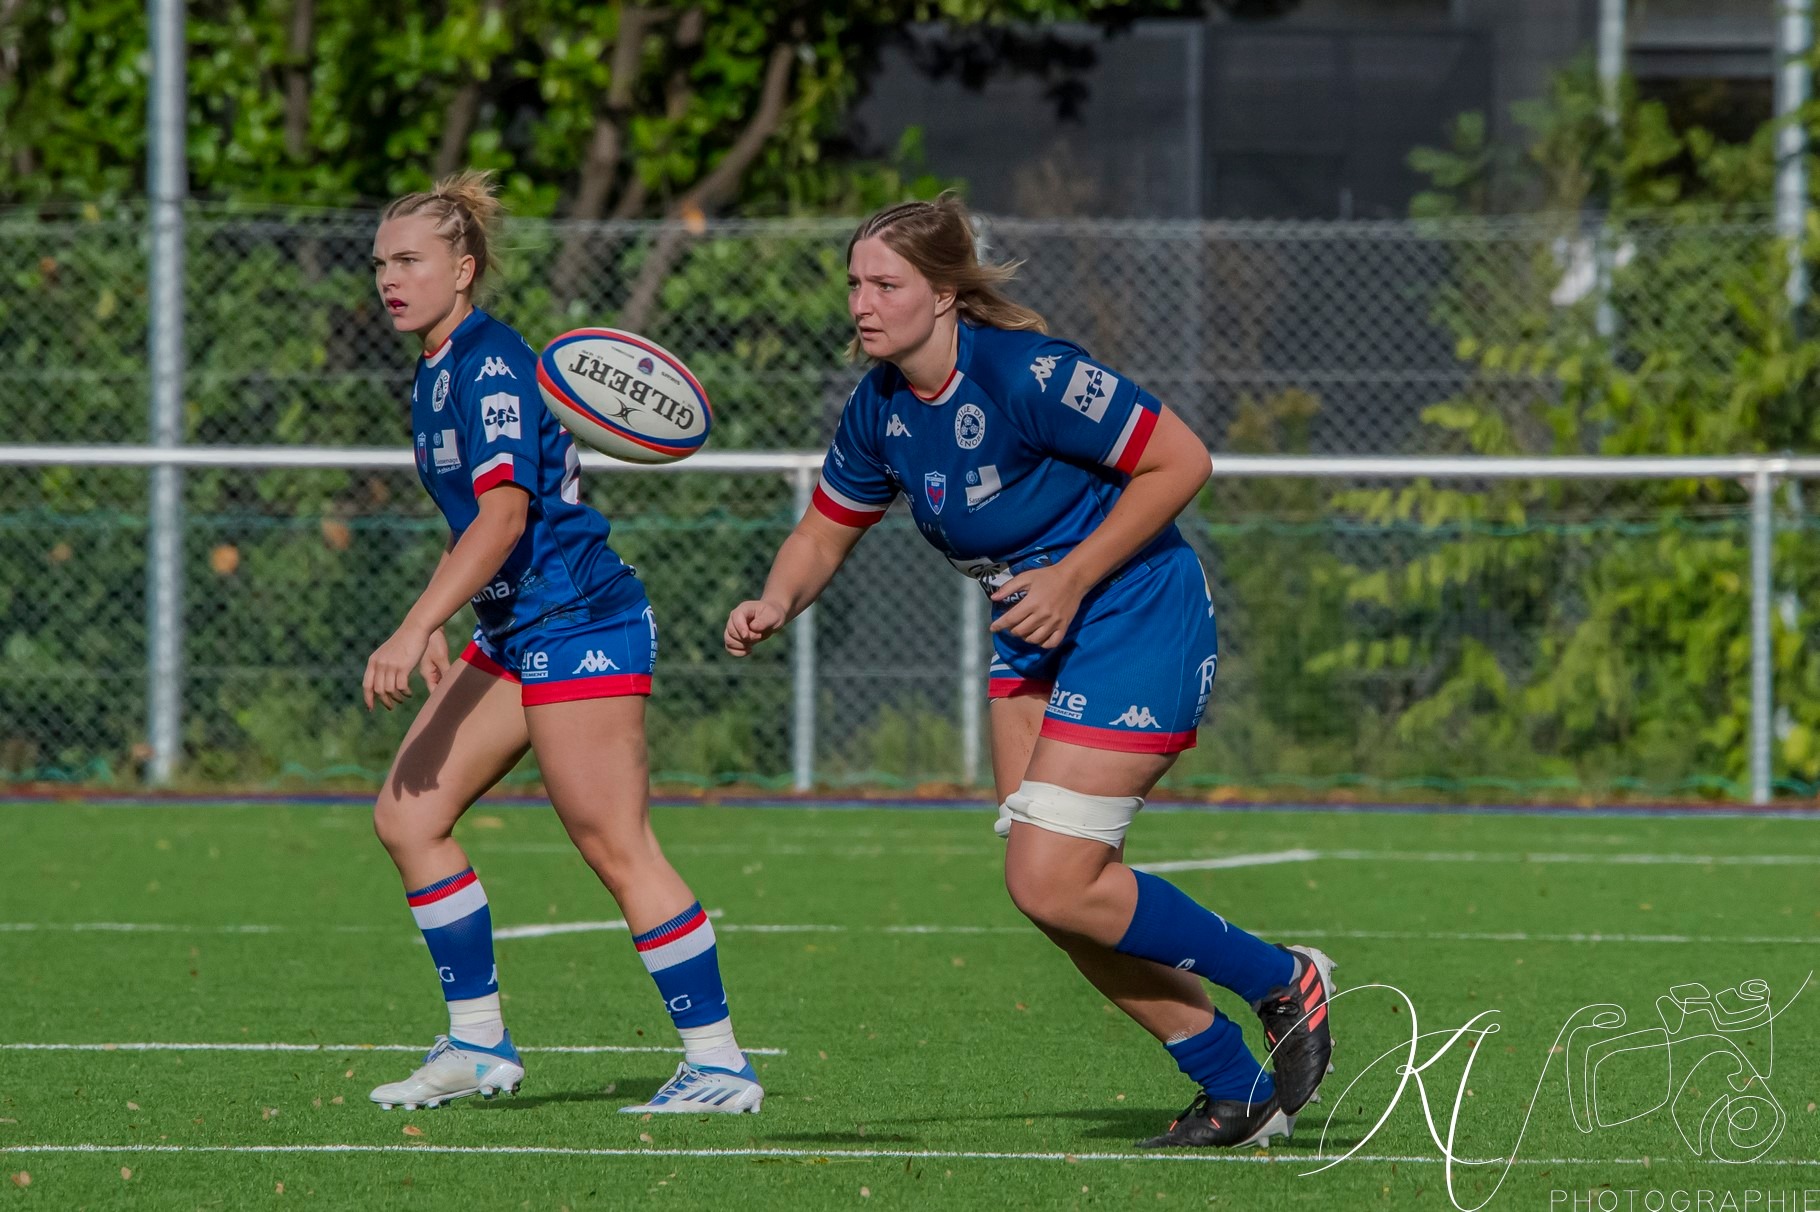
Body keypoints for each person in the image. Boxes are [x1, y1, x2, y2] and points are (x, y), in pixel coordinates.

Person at [723, 195, 1334, 1147]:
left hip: (1135, 615)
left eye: (886, 283)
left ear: (946, 293)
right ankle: (1233, 1089)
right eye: (854, 282)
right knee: (1050, 894)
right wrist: (774, 599)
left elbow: (1183, 460)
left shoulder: (1029, 375)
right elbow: (823, 529)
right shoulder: (878, 409)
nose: (862, 303)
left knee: (1053, 877)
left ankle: (1280, 978)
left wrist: (1073, 574)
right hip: (1034, 641)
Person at [361, 170, 761, 1115]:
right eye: (380, 262)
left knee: (613, 842)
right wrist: (450, 613)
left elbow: (502, 517)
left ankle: (719, 1063)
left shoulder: (491, 363)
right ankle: (477, 1044)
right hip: (514, 628)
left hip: (583, 623)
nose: (389, 277)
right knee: (408, 816)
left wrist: (417, 622)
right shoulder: (436, 366)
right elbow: (481, 529)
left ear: (463, 269)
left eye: (409, 261)